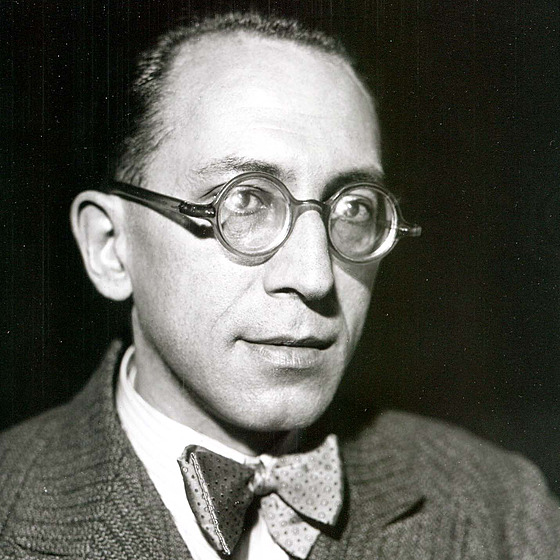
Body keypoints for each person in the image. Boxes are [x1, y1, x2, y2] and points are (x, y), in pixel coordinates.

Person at [0, 11, 558, 560]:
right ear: (109, 247)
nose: (315, 278)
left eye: (353, 209)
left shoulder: (502, 508)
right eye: (245, 201)